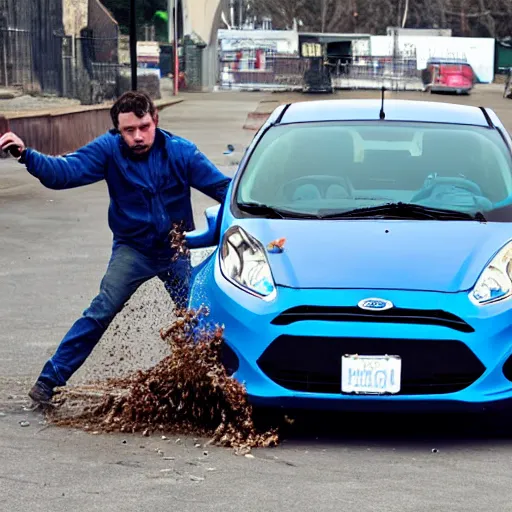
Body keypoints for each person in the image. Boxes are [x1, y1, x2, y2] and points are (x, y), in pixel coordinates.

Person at [0, 91, 232, 408]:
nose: (137, 136)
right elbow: (64, 174)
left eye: (144, 127)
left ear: (155, 121)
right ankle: (48, 382)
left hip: (176, 248)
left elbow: (224, 190)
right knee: (101, 311)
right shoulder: (109, 151)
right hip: (132, 250)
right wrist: (27, 155)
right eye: (128, 130)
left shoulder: (181, 153)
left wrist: (264, 201)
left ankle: (220, 387)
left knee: (198, 316)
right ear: (117, 130)